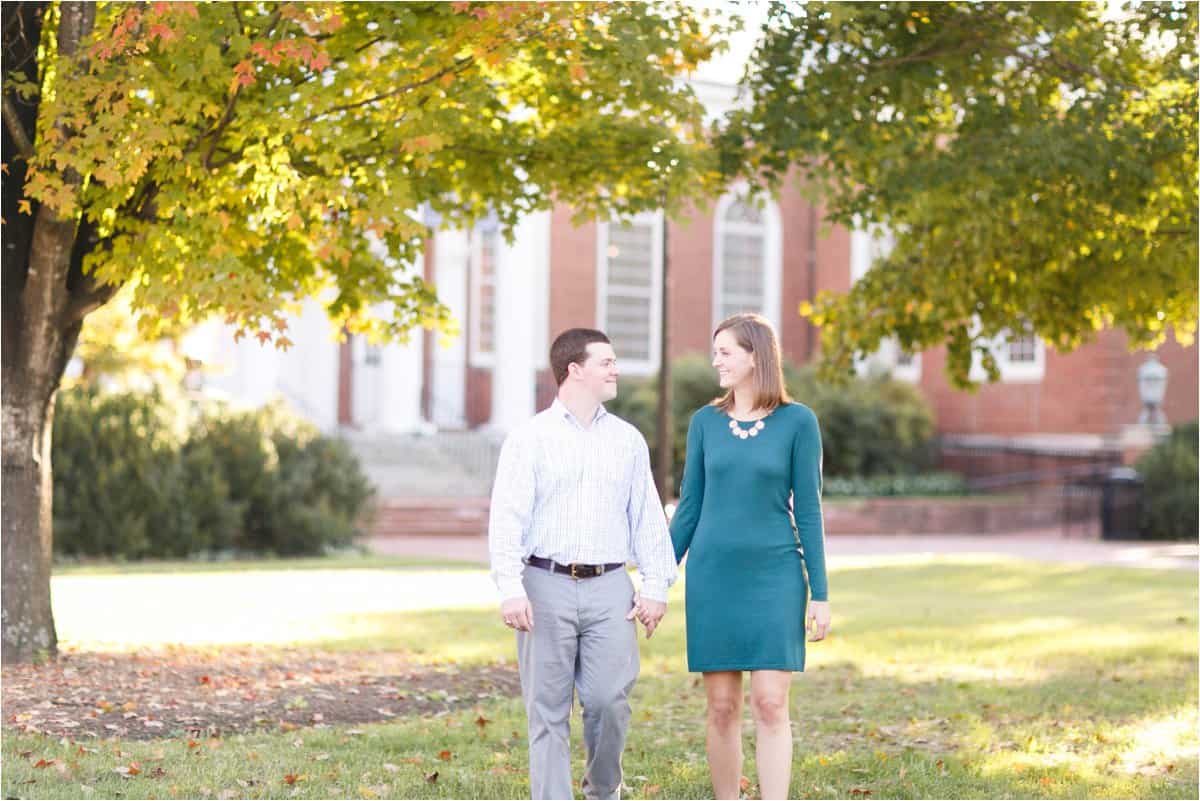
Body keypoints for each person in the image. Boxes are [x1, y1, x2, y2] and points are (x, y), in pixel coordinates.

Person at [488, 327, 678, 800]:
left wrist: (656, 586)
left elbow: (647, 517)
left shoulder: (628, 441)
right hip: (544, 585)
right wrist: (510, 587)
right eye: (606, 362)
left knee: (609, 701)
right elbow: (507, 516)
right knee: (547, 709)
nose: (616, 369)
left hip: (611, 587)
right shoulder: (529, 438)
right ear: (574, 370)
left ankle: (603, 791)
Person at [669, 312, 832, 800]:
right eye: (715, 350)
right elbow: (690, 505)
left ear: (755, 356)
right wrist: (657, 577)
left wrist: (819, 594)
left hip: (775, 576)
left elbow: (809, 511)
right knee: (720, 707)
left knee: (769, 703)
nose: (715, 359)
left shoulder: (798, 422)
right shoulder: (704, 422)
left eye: (725, 352)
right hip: (713, 577)